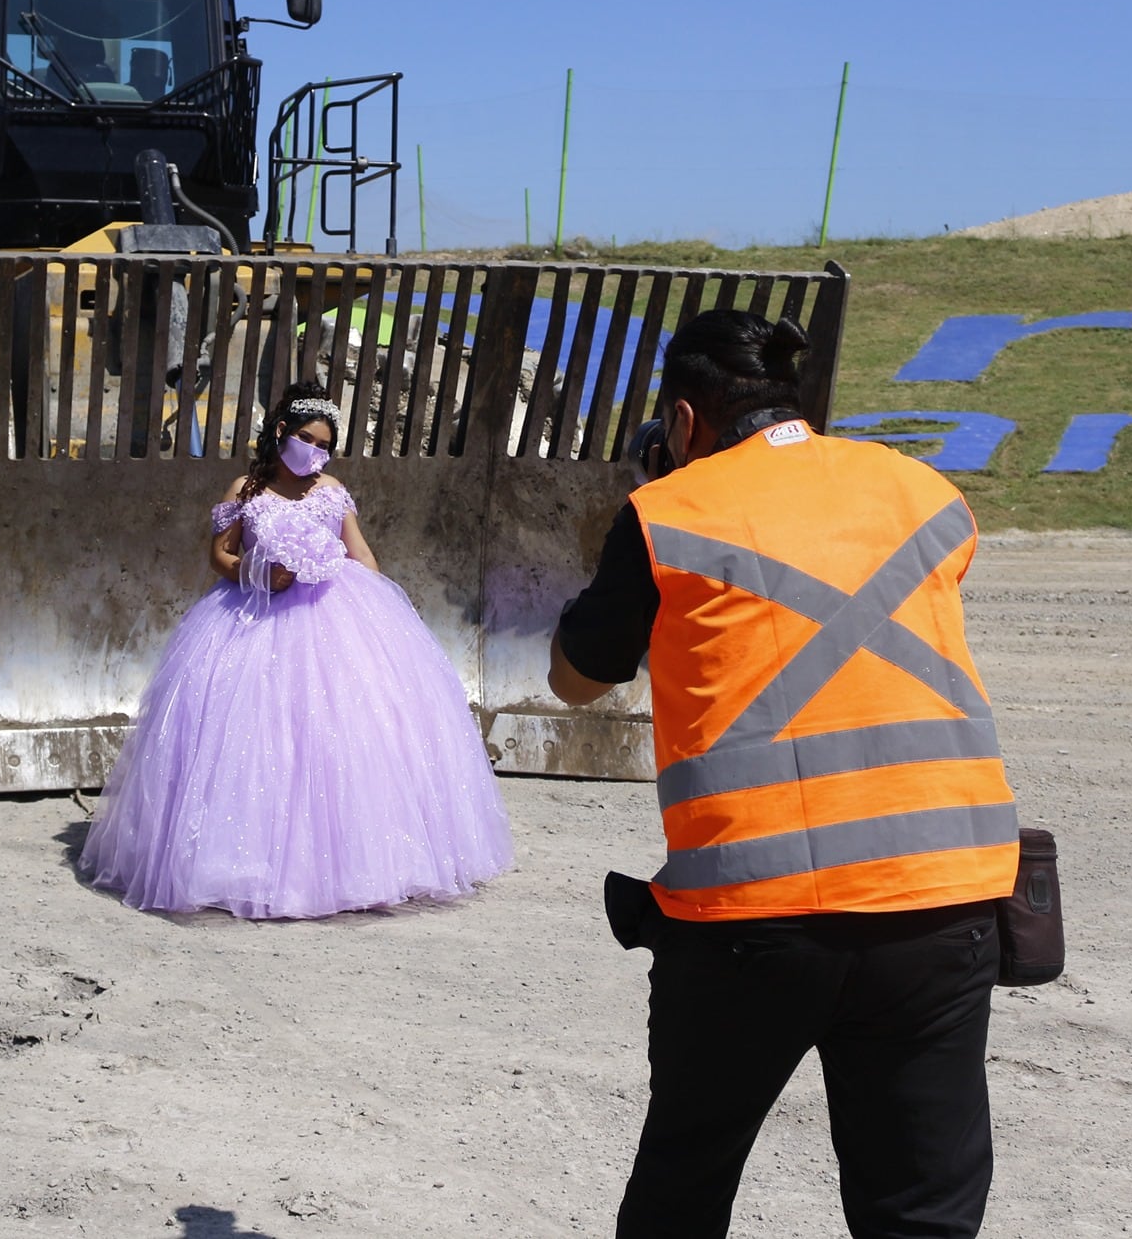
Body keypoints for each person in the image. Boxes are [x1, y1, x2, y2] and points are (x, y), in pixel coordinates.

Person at [548, 310, 1021, 1239]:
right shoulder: (925, 489)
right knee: (920, 1212)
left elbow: (576, 680)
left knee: (684, 1190)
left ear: (684, 421)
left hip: (752, 921)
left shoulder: (667, 512)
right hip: (942, 905)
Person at [80, 380, 515, 919]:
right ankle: (245, 861)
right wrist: (258, 571)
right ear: (281, 432)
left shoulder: (331, 490)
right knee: (253, 735)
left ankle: (353, 863)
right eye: (308, 439)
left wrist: (344, 579)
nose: (316, 453)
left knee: (345, 733)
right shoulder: (245, 488)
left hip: (333, 617)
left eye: (325, 445)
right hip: (253, 617)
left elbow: (364, 557)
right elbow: (219, 554)